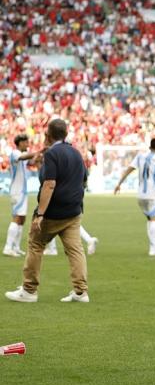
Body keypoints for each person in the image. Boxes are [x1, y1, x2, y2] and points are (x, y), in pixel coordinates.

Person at [5, 119, 89, 303]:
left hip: (53, 212)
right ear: (65, 134)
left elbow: (49, 184)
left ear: (48, 135)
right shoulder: (76, 152)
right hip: (74, 211)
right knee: (75, 250)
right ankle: (81, 292)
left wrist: (41, 214)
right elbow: (84, 178)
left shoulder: (52, 153)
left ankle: (28, 290)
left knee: (35, 245)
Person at [113, 138, 155, 256]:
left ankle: (153, 247)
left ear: (149, 146)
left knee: (150, 219)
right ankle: (153, 249)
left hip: (141, 195)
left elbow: (128, 170)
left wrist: (119, 184)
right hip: (154, 194)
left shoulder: (140, 157)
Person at [3, 135, 38, 257]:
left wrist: (40, 157)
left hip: (22, 191)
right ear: (20, 143)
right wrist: (38, 152)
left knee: (22, 219)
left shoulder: (22, 154)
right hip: (17, 191)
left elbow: (31, 161)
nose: (27, 143)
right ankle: (8, 247)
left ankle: (16, 247)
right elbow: (24, 157)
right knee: (17, 218)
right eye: (26, 142)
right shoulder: (15, 153)